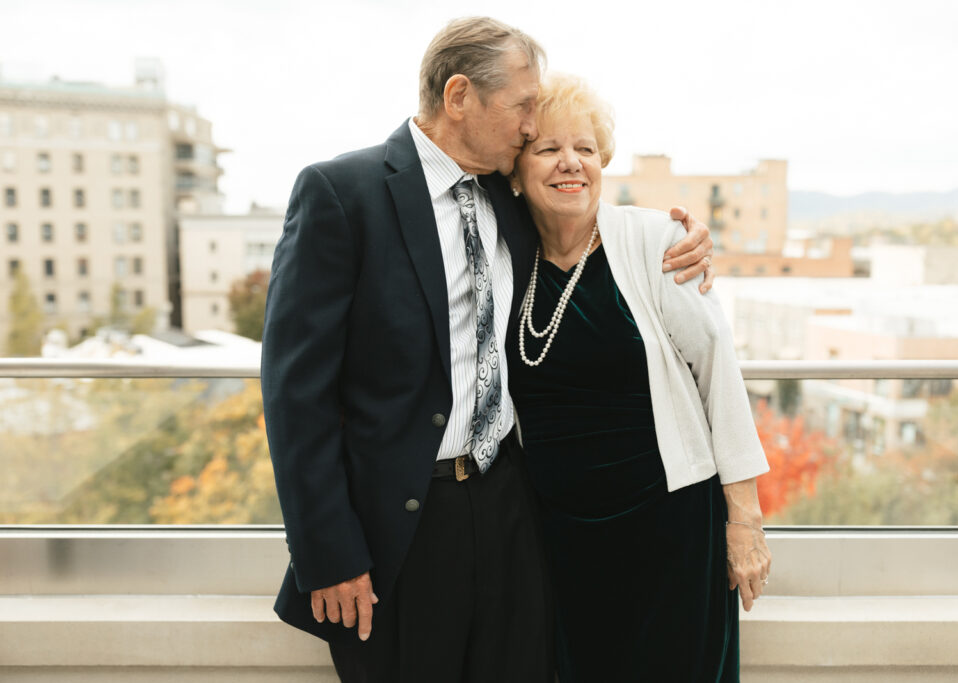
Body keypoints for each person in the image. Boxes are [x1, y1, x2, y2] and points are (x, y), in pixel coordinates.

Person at [260, 17, 714, 683]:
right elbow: (294, 392)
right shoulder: (341, 194)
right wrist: (328, 552)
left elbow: (584, 220)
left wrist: (679, 238)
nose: (533, 127)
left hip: (510, 509)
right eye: (524, 106)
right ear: (459, 97)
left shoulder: (510, 195)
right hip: (400, 533)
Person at [506, 73, 772, 683]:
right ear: (515, 170)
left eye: (586, 149)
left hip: (669, 528)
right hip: (557, 538)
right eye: (548, 149)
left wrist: (744, 521)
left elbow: (717, 373)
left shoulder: (656, 241)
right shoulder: (503, 257)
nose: (571, 163)